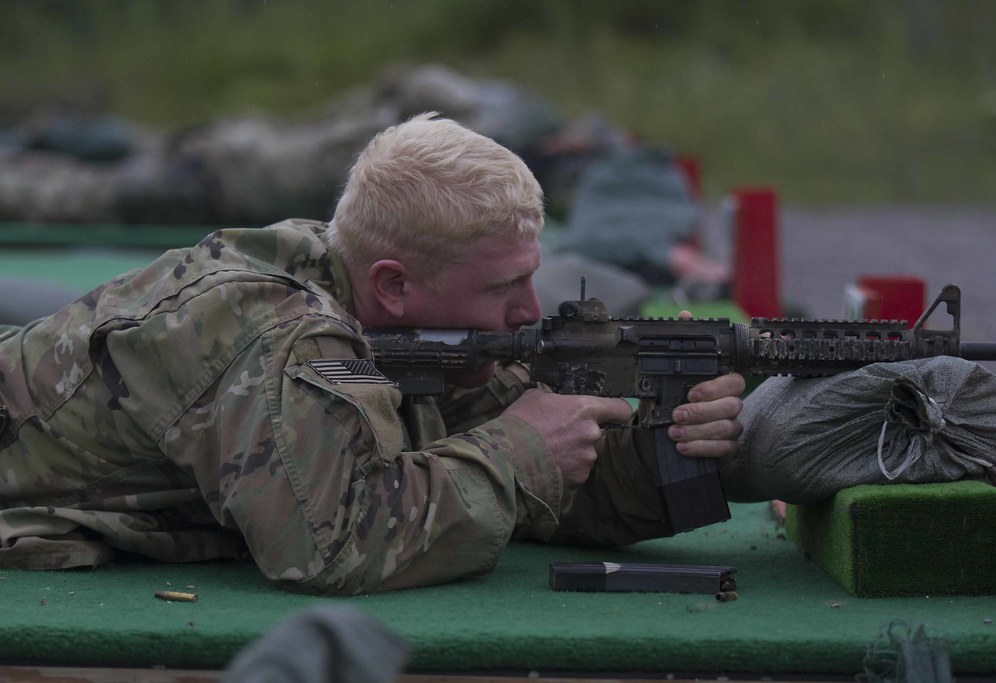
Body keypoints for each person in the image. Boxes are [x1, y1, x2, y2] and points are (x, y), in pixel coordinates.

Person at [0, 113, 744, 594]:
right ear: (394, 284)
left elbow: (513, 476)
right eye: (505, 286)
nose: (531, 311)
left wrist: (657, 448)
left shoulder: (400, 325)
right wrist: (519, 451)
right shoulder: (279, 334)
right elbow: (336, 542)